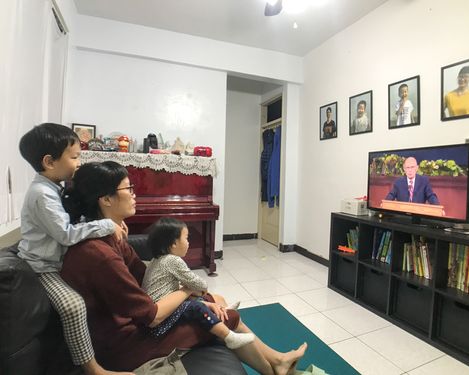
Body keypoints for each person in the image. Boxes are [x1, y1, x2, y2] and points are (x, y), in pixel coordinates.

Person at [61, 161, 307, 374]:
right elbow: (153, 316)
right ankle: (275, 370)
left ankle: (277, 361)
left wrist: (196, 298)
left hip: (134, 323)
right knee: (227, 316)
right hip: (127, 344)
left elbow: (143, 276)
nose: (135, 194)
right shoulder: (98, 253)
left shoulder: (109, 238)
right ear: (105, 199)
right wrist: (189, 292)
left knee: (213, 300)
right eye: (129, 188)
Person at [17, 123, 131, 375]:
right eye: (75, 157)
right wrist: (106, 223)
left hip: (55, 261)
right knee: (73, 306)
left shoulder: (54, 187)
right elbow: (66, 234)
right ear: (49, 161)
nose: (79, 163)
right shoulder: (41, 195)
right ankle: (93, 370)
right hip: (43, 268)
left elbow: (71, 222)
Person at [142, 217, 254, 349]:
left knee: (196, 298)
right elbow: (198, 283)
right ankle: (229, 336)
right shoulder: (172, 260)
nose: (189, 243)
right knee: (196, 306)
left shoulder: (156, 260)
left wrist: (192, 290)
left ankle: (223, 310)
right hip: (163, 321)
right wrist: (201, 288)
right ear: (173, 243)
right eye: (186, 238)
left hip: (163, 311)